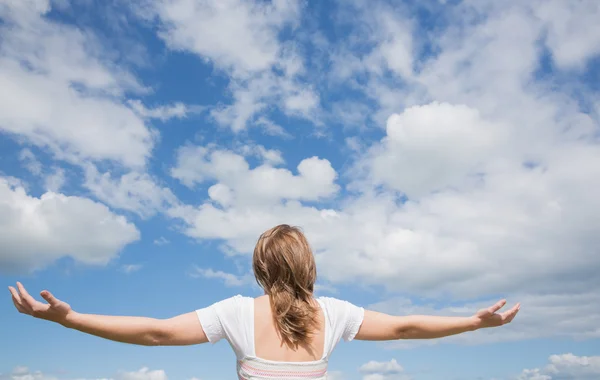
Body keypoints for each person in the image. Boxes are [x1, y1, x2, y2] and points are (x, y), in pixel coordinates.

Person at [9, 224, 520, 379]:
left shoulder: (236, 311)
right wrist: (471, 324)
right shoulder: (335, 313)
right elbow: (406, 328)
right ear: (310, 267)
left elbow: (156, 333)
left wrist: (70, 319)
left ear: (259, 269)